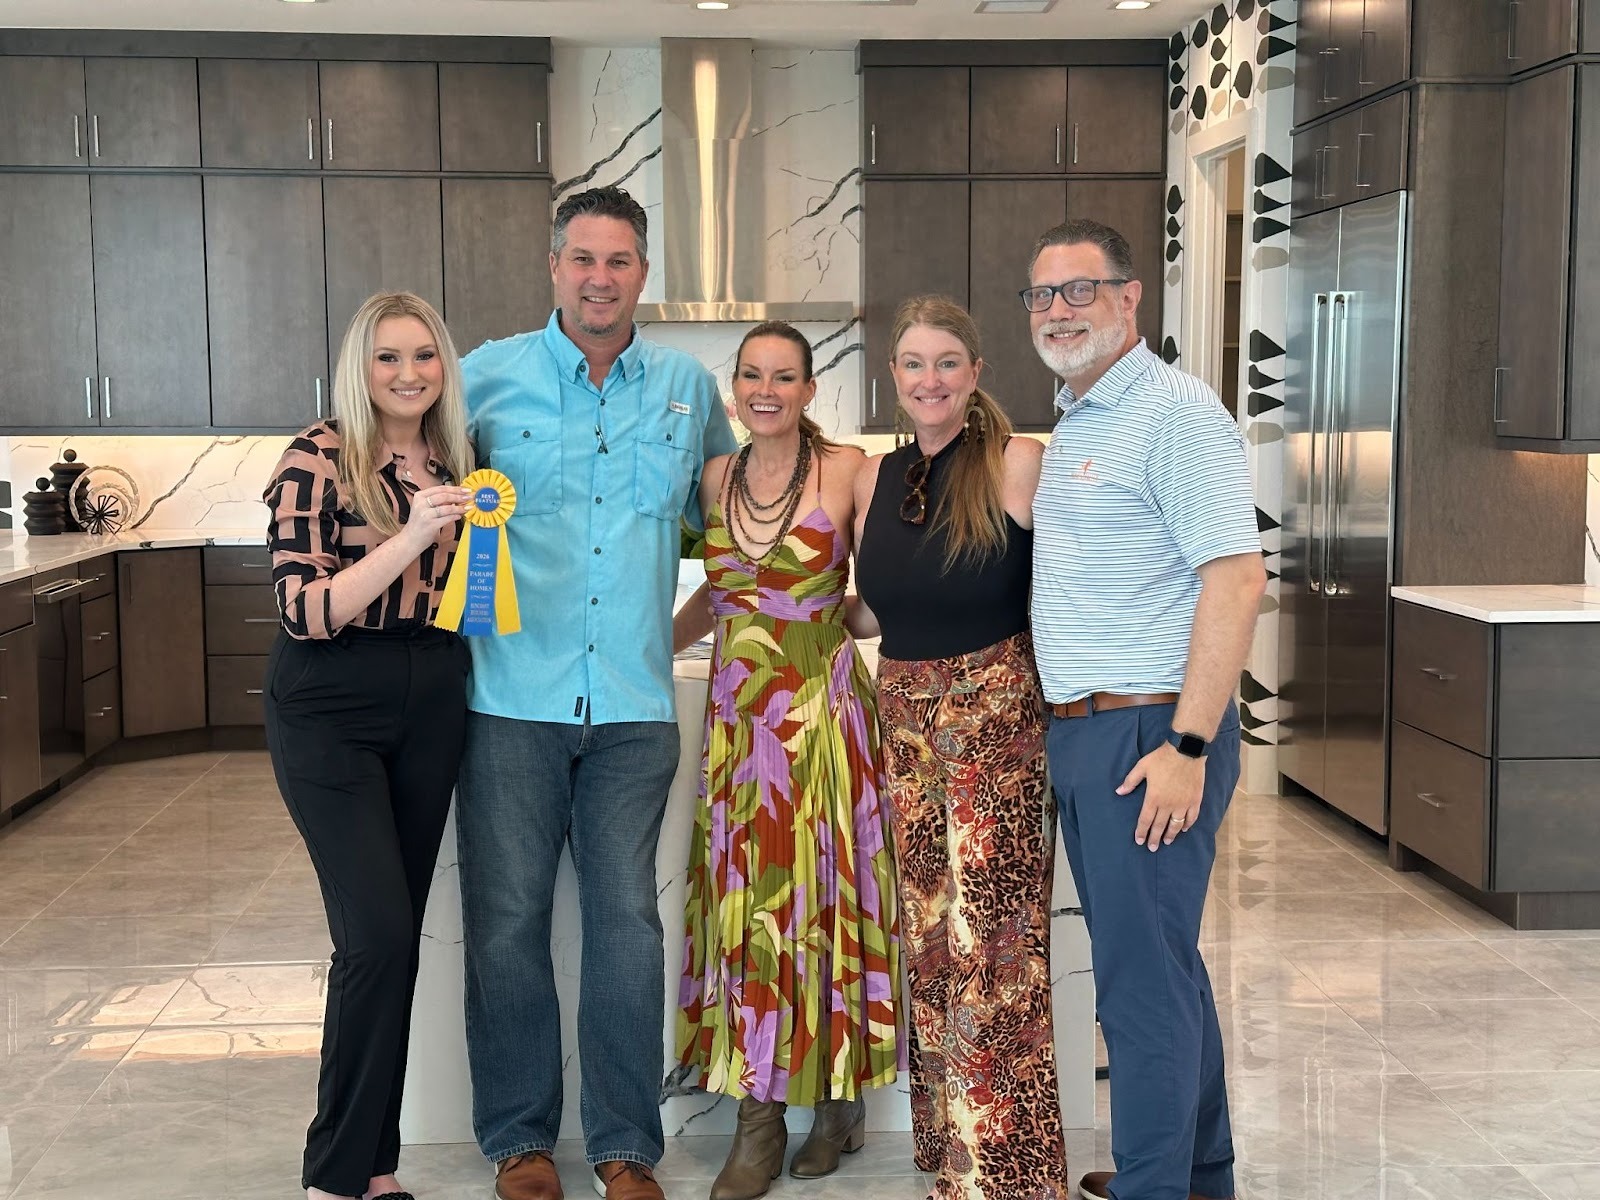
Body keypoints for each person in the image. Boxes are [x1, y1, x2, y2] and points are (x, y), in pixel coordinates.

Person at [456, 185, 740, 1200]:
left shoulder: (687, 390)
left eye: (618, 261)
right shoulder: (482, 381)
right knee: (504, 924)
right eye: (581, 258)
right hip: (506, 706)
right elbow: (423, 509)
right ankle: (519, 1143)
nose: (598, 278)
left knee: (628, 924)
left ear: (642, 274)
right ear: (553, 267)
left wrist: (662, 637)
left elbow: (733, 541)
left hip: (631, 715)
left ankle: (626, 1146)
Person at [1025, 219, 1264, 1200]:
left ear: (1131, 300)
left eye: (1079, 290)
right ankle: (1194, 1177)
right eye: (1041, 295)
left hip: (1145, 735)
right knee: (1162, 969)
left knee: (1138, 989)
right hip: (1090, 733)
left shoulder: (1172, 410)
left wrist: (1187, 744)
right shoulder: (1084, 416)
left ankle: (1153, 1187)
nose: (1057, 311)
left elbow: (1238, 578)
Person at [672, 321, 900, 1200]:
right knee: (748, 913)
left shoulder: (850, 469)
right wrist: (651, 646)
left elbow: (881, 591)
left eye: (785, 377)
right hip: (737, 731)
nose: (765, 390)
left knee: (822, 906)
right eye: (751, 377)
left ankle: (836, 1098)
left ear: (810, 389)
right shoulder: (716, 477)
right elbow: (721, 589)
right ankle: (759, 1121)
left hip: (821, 721)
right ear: (735, 391)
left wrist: (824, 627)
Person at [849, 296, 1068, 1200]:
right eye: (912, 363)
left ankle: (1011, 1180)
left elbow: (1067, 588)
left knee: (997, 950)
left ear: (976, 374)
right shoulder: (872, 475)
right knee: (930, 944)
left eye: (947, 362)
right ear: (893, 379)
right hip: (902, 716)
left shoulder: (1018, 461)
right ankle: (949, 1160)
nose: (928, 379)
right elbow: (875, 609)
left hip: (997, 719)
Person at [262, 290, 475, 1200]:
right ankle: (332, 1177)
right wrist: (415, 531)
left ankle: (375, 1166)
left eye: (424, 356)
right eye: (388, 357)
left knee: (400, 944)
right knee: (375, 939)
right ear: (361, 367)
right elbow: (305, 608)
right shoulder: (317, 456)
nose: (408, 373)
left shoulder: (463, 457)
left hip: (432, 696)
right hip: (330, 700)